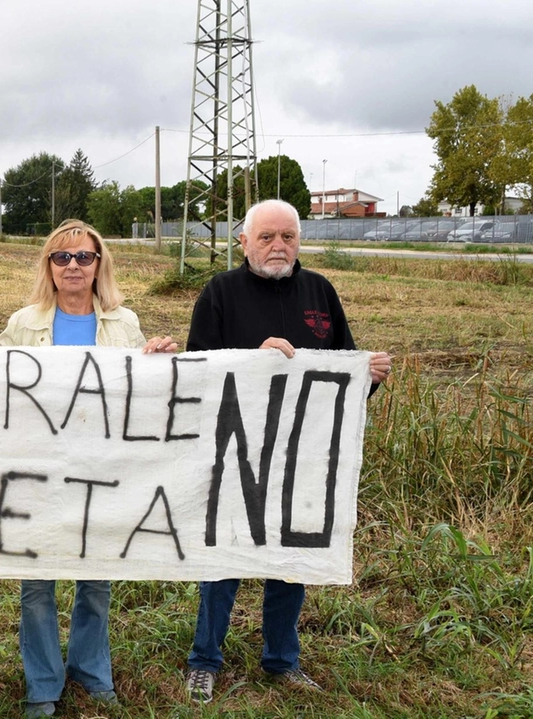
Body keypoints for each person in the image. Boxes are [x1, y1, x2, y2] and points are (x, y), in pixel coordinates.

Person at [182, 199, 392, 703]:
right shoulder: (220, 293)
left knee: (290, 557)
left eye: (288, 237)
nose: (279, 246)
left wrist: (368, 377)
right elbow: (195, 371)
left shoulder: (320, 290)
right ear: (244, 242)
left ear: (300, 240)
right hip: (237, 453)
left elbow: (341, 373)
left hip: (303, 455)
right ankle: (204, 660)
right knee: (224, 557)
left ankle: (281, 660)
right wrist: (254, 364)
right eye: (267, 237)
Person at [0, 219, 177, 718]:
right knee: (37, 585)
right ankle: (43, 684)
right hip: (38, 469)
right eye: (62, 257)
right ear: (49, 267)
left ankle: (92, 670)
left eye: (83, 257)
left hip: (103, 469)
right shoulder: (22, 325)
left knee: (96, 579)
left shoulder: (125, 324)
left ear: (100, 264)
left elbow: (142, 398)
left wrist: (160, 363)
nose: (73, 266)